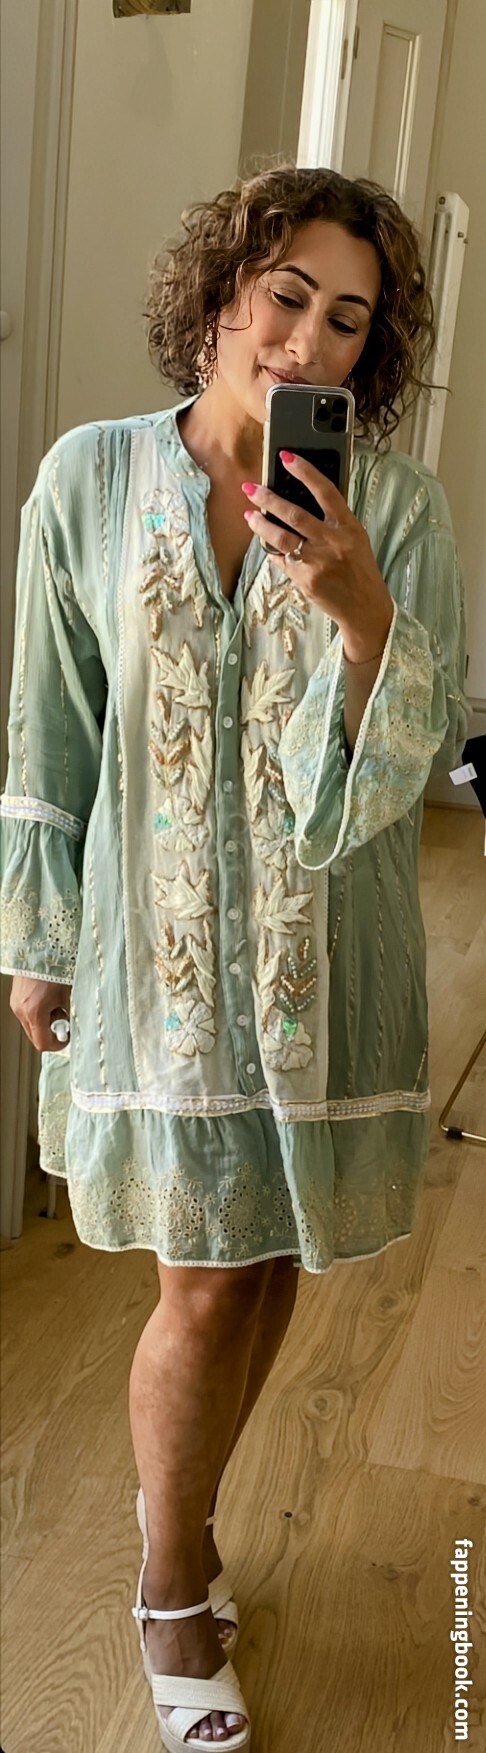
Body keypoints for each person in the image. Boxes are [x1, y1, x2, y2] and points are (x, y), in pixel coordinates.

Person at [0, 163, 469, 1747]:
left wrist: (358, 608)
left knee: (266, 1260)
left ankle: (188, 1534)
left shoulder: (397, 510)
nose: (307, 342)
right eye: (285, 297)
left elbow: (408, 763)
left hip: (325, 965)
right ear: (217, 294)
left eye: (347, 320)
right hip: (153, 959)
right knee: (200, 1283)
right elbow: (51, 730)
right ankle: (165, 1586)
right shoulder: (84, 479)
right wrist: (34, 938)